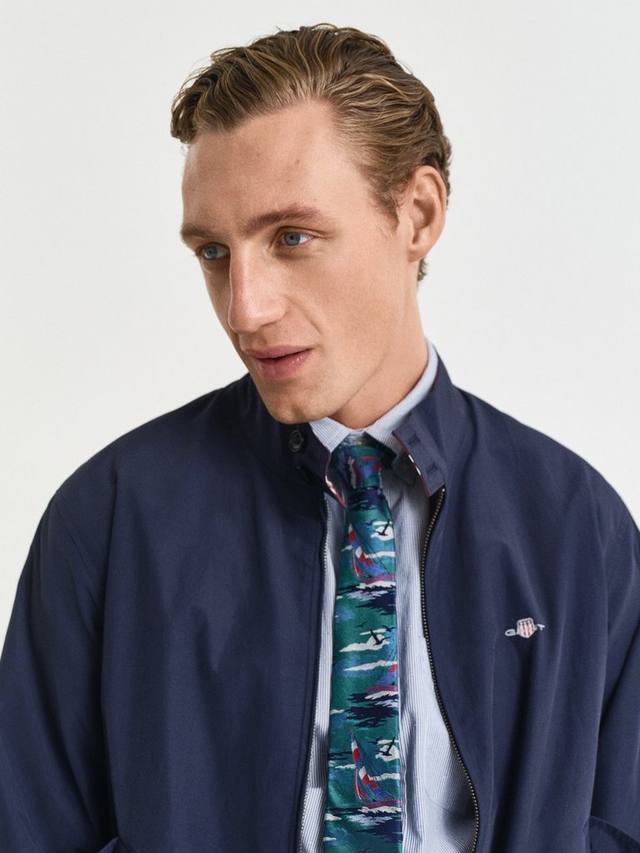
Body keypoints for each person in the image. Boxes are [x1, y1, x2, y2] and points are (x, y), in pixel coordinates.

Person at [1, 22, 638, 853]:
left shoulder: (576, 527)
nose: (245, 308)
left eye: (291, 238)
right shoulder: (111, 520)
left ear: (418, 214)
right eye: (214, 252)